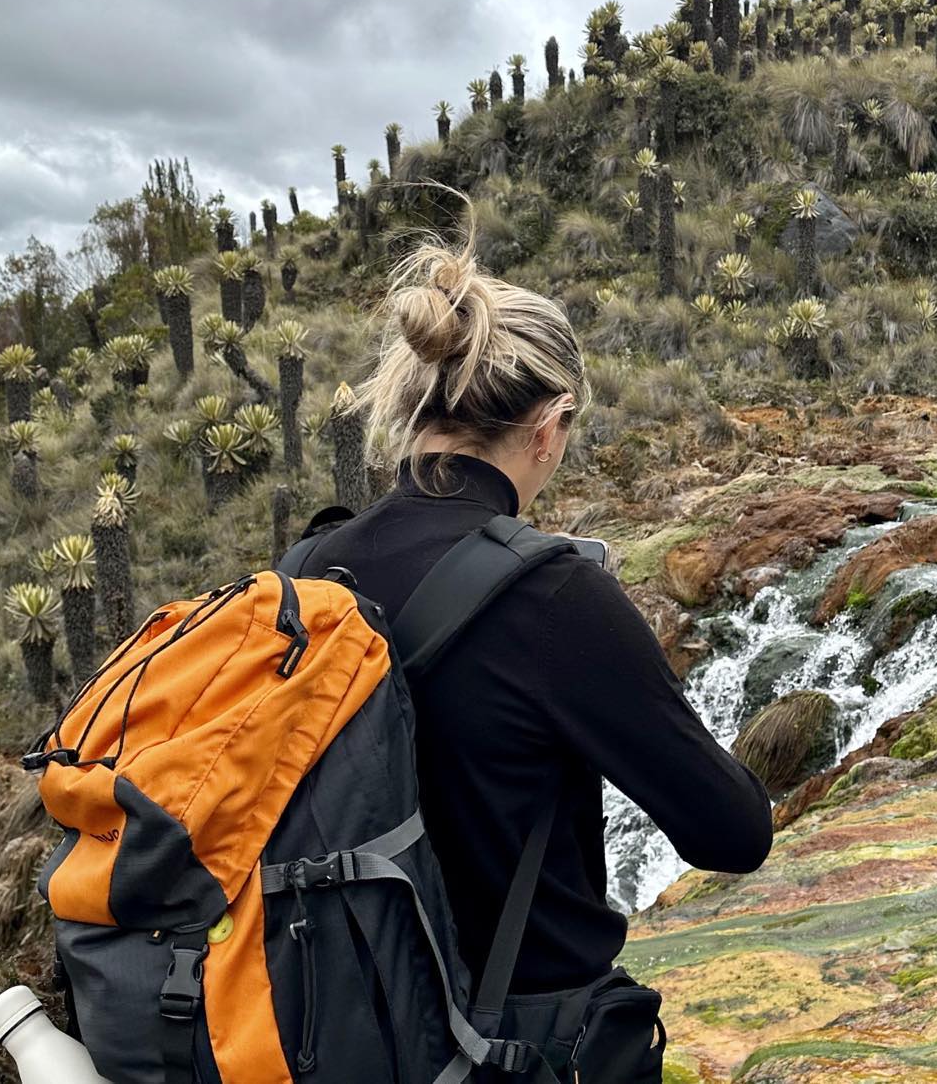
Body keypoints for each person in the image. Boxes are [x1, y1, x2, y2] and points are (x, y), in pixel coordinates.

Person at [310, 213, 773, 1078]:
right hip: (517, 1043)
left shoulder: (309, 566)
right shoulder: (555, 597)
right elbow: (733, 833)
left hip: (345, 1023)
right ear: (550, 425)